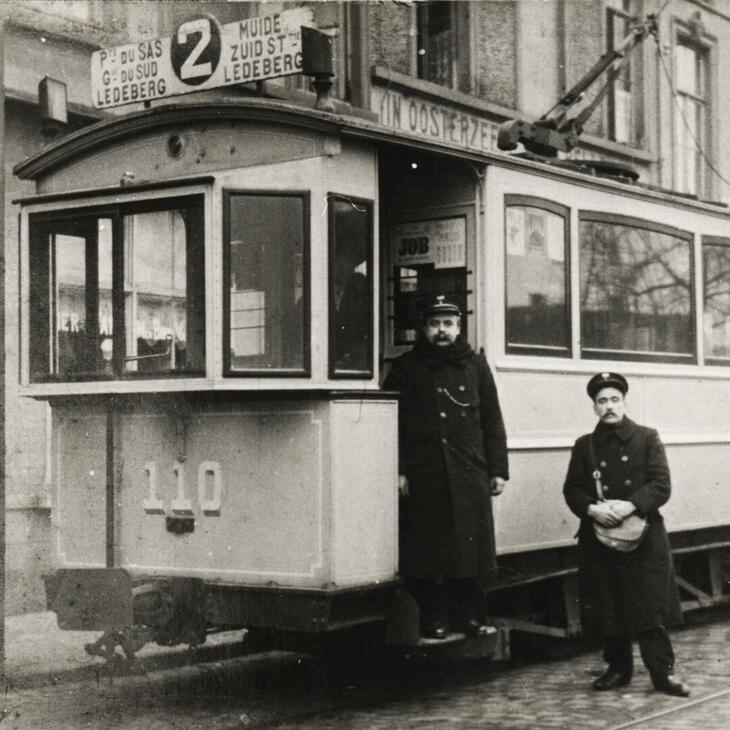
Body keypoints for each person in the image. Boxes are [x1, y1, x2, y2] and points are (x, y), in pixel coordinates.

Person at [383, 294, 509, 639]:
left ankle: (468, 618)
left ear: (458, 327)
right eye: (435, 324)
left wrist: (497, 469)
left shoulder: (476, 365)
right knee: (429, 555)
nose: (442, 331)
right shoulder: (407, 368)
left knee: (467, 552)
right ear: (424, 329)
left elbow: (493, 421)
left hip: (469, 472)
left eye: (448, 324)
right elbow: (390, 424)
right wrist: (400, 469)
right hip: (427, 474)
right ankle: (434, 619)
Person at [563, 372, 689, 697]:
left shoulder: (647, 437)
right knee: (608, 605)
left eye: (614, 400)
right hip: (600, 535)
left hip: (643, 535)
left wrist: (629, 506)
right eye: (602, 401)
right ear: (594, 407)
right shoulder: (584, 445)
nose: (609, 407)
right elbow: (573, 489)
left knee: (649, 606)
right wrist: (592, 509)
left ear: (625, 402)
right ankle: (618, 669)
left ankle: (662, 674)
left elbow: (661, 485)